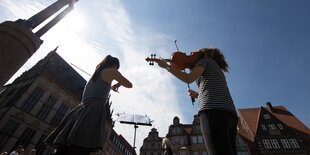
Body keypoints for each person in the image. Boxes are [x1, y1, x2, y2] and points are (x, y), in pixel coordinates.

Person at [44, 55, 133, 155]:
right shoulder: (112, 71)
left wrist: (116, 83)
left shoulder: (97, 72)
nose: (116, 70)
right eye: (117, 68)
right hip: (94, 109)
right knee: (81, 145)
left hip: (82, 108)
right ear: (115, 65)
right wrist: (118, 83)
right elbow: (129, 85)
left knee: (68, 146)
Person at [156, 48, 238, 155]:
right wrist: (198, 95)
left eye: (192, 53)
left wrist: (167, 66)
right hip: (230, 115)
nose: (191, 54)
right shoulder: (216, 68)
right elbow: (215, 91)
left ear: (204, 55)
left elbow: (188, 78)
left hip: (213, 113)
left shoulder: (203, 62)